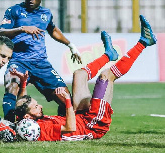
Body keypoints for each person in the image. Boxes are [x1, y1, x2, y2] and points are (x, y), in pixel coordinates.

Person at [14, 15, 157, 141]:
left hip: (80, 116)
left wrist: (23, 85)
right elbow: (70, 127)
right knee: (106, 76)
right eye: (36, 107)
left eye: (37, 104)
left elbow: (21, 107)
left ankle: (108, 55)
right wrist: (68, 101)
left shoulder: (26, 122)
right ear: (28, 117)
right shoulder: (41, 130)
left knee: (79, 74)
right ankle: (144, 42)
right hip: (93, 124)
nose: (40, 106)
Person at [0, 0, 82, 122]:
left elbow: (53, 30)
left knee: (65, 98)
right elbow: (0, 33)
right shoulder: (14, 11)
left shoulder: (46, 14)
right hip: (19, 61)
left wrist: (70, 45)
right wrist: (22, 29)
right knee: (12, 85)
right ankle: (9, 127)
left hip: (41, 64)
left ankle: (61, 127)